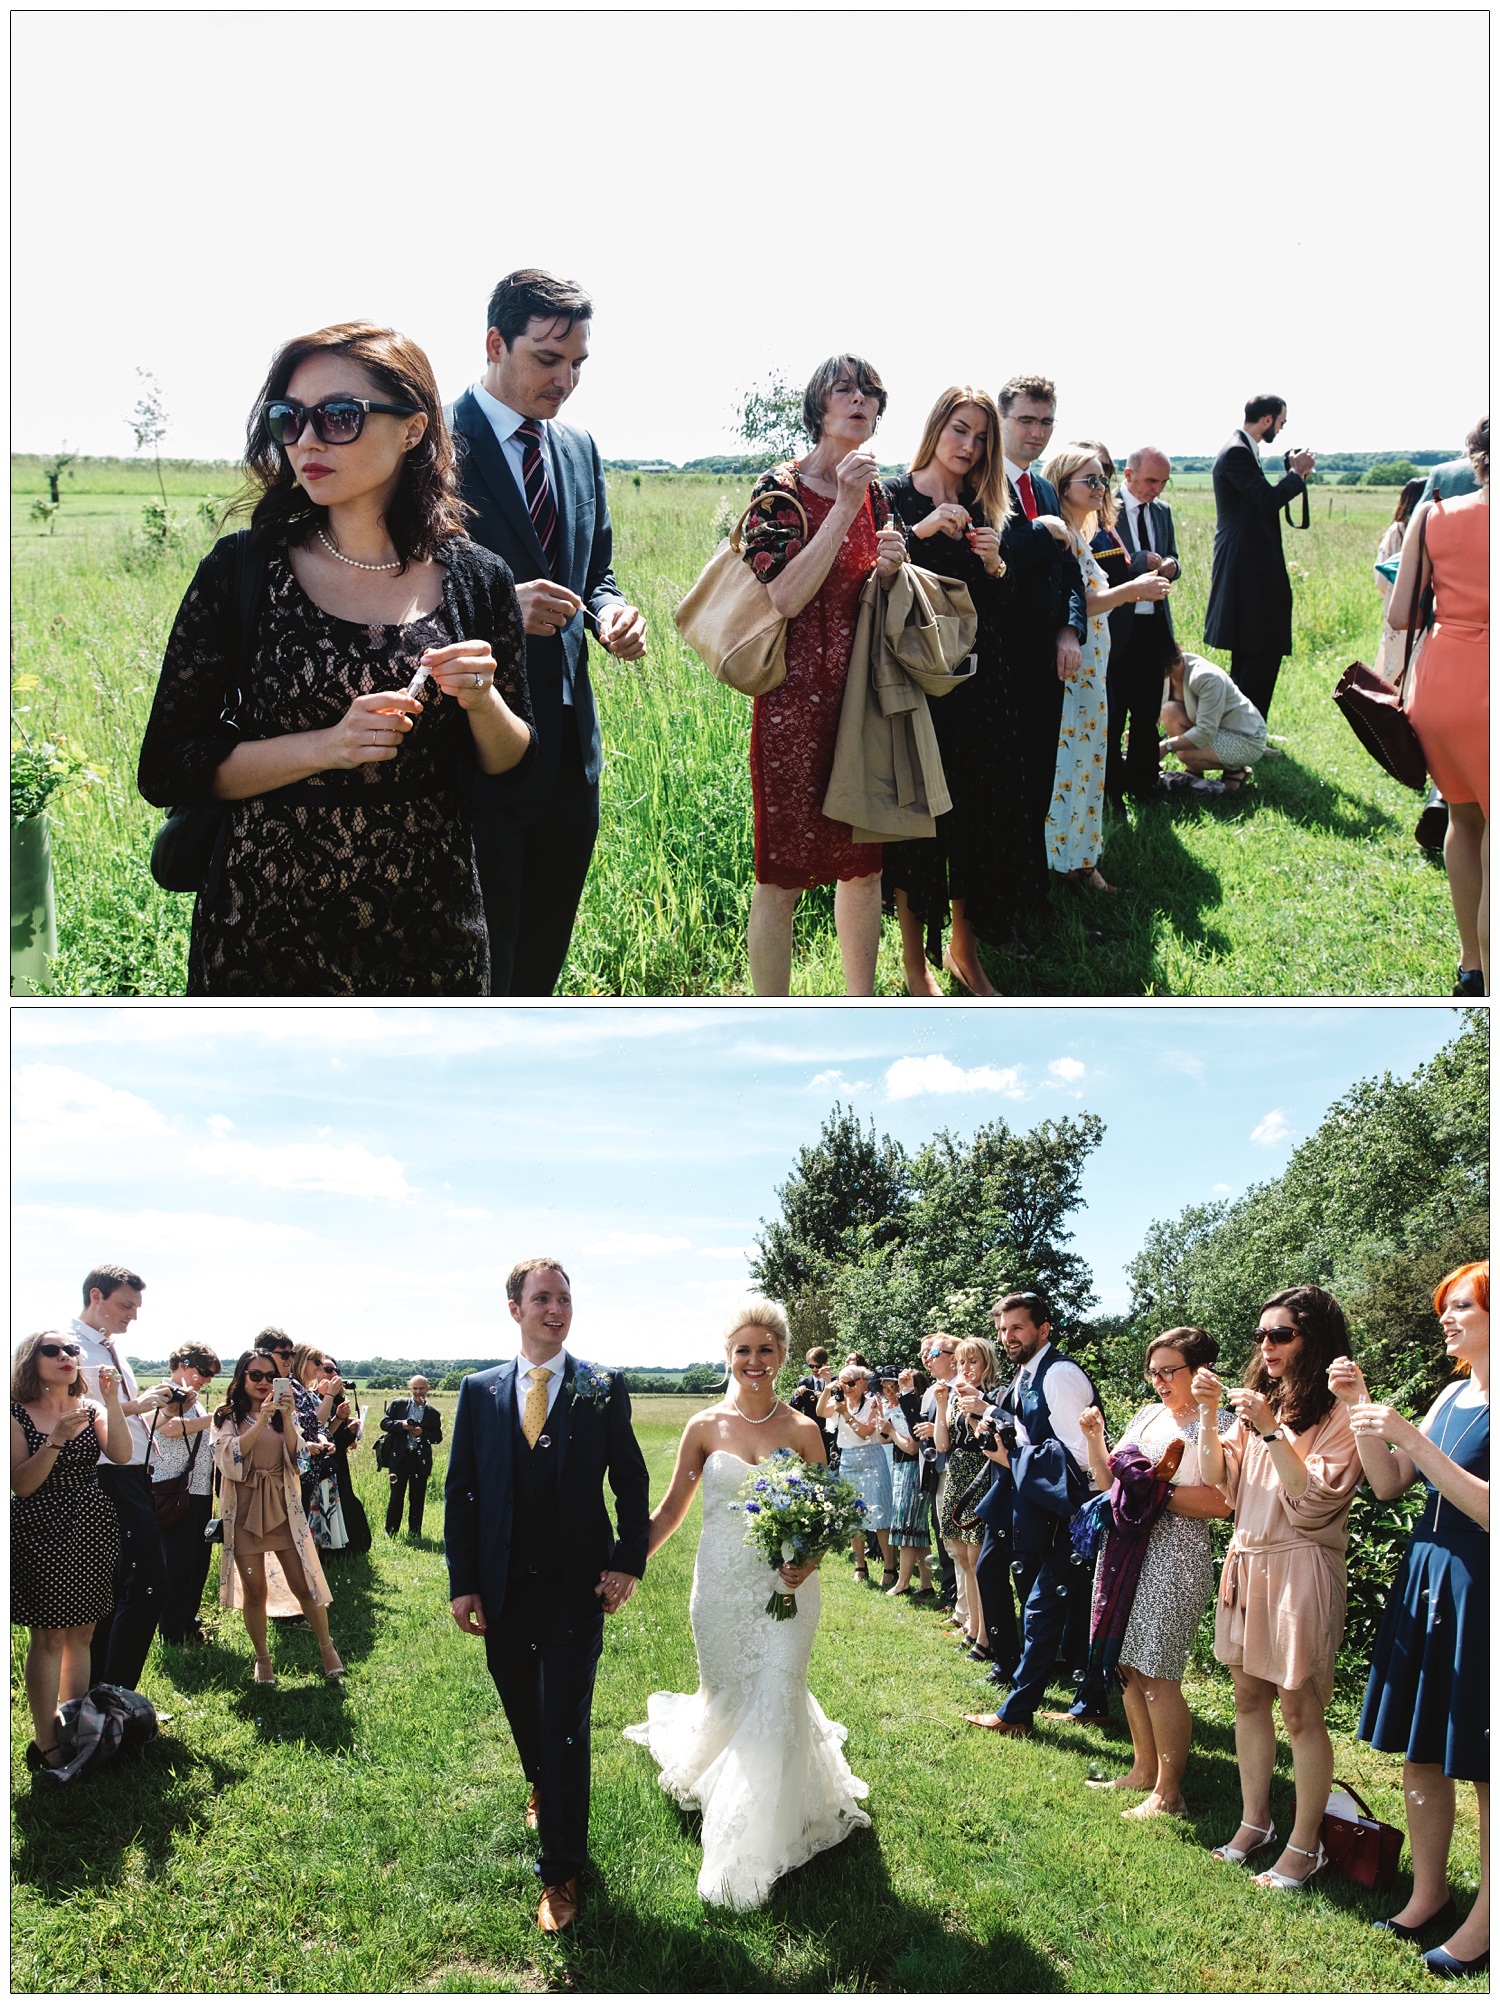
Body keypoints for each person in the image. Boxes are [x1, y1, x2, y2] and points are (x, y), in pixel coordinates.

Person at [137, 321, 535, 996]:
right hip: (263, 931)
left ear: (412, 429)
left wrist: (481, 699)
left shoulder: (479, 577)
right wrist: (328, 746)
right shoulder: (242, 570)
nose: (307, 440)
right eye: (288, 419)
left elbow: (511, 763)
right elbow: (168, 769)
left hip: (431, 932)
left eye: (339, 417)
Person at [625, 1299, 871, 1908]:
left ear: (783, 1355)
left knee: (778, 1688)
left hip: (789, 1590)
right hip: (721, 1590)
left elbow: (830, 1516)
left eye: (766, 1349)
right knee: (731, 1692)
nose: (754, 1361)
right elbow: (670, 1512)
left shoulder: (804, 1431)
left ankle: (753, 1843)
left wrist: (805, 1562)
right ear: (728, 1356)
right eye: (743, 1350)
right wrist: (624, 1565)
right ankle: (725, 1781)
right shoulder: (704, 1427)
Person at [448, 269, 647, 996]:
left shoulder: (579, 447)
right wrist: (502, 607)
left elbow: (595, 572)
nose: (565, 380)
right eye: (546, 359)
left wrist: (614, 614)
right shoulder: (427, 444)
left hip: (569, 753)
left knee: (540, 963)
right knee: (479, 964)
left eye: (578, 364)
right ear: (495, 343)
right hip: (470, 751)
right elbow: (392, 585)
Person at [444, 1259, 650, 1935]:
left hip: (574, 1588)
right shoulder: (479, 1391)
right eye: (542, 1299)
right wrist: (464, 1580)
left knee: (566, 1724)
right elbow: (463, 1491)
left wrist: (627, 1563)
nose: (555, 1309)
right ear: (515, 1309)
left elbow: (630, 1481)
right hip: (502, 1588)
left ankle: (559, 1871)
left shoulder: (600, 1386)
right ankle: (541, 1779)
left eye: (564, 1298)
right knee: (520, 1702)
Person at [1334, 1262, 1489, 1976]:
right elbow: (1394, 1484)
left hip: (1479, 1586)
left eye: (1462, 1306)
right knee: (1425, 1750)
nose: (1447, 1318)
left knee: (1486, 1766)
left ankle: (1486, 1919)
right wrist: (1362, 1408)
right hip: (1428, 1578)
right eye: (1444, 1308)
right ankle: (1428, 1895)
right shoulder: (1453, 1393)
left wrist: (1413, 1439)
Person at [737, 355, 907, 996]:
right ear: (819, 406)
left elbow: (875, 591)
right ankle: (771, 1015)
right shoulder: (778, 488)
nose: (860, 402)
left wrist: (893, 563)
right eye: (845, 390)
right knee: (780, 872)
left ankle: (860, 1006)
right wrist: (844, 506)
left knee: (863, 867)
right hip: (792, 703)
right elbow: (784, 596)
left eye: (871, 394)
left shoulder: (879, 491)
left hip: (862, 699)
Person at [1194, 1285, 1363, 1890]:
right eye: (1261, 1334)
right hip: (1249, 1558)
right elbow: (1219, 1481)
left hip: (1302, 1565)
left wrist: (1269, 1431)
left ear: (1312, 1340)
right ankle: (1255, 1821)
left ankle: (1304, 1844)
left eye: (1281, 1335)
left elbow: (1314, 1501)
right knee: (1247, 1700)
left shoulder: (1342, 1414)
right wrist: (1211, 1418)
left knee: (1300, 1709)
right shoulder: (1260, 1402)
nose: (1265, 1345)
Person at [880, 386, 1021, 995]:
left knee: (978, 821)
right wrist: (921, 529)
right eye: (960, 430)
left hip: (982, 686)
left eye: (982, 437)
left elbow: (1000, 610)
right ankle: (915, 968)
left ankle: (965, 953)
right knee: (921, 825)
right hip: (921, 688)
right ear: (937, 427)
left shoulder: (986, 504)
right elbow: (871, 583)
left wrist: (995, 565)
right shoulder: (892, 495)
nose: (969, 446)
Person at [1076, 1328, 1238, 1819]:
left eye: (1171, 1370)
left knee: (1157, 1671)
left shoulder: (1223, 1423)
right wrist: (1094, 1439)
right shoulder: (1148, 1416)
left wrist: (1156, 1494)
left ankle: (1170, 1794)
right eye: (1154, 1372)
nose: (1160, 1381)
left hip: (1176, 1553)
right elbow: (1109, 1482)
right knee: (1125, 1665)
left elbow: (1223, 1503)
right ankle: (1143, 1770)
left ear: (1201, 1371)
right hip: (1124, 1548)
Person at [1034, 446, 1172, 892]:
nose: (1099, 488)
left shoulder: (1087, 530)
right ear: (1062, 487)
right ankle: (1064, 865)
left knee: (1089, 766)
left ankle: (1082, 862)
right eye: (1089, 481)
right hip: (1074, 668)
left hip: (1093, 668)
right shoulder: (1061, 535)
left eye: (1102, 480)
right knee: (1071, 768)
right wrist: (1132, 590)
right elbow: (1072, 605)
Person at [964, 1293, 1099, 1735]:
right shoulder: (1027, 1375)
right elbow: (1031, 1436)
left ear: (1044, 1329)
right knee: (1069, 1608)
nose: (1008, 1338)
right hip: (1045, 1508)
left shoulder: (1059, 1375)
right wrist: (993, 1423)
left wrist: (1010, 1454)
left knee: (1041, 1608)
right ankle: (1092, 1702)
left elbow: (1078, 1456)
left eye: (1017, 1328)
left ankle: (1016, 1713)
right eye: (1003, 1330)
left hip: (1074, 1511)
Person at [1387, 415, 1489, 998]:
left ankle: (1471, 964)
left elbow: (1400, 616)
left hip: (1443, 680)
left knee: (1464, 818)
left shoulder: (1431, 513)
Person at [11, 1332, 132, 1770]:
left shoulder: (90, 1408)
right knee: (49, 1636)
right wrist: (56, 1438)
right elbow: (21, 1485)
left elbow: (120, 1453)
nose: (66, 1357)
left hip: (91, 1526)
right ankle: (47, 1744)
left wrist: (111, 1400)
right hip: (40, 1529)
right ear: (31, 1360)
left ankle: (79, 1726)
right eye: (53, 1351)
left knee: (83, 1632)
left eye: (71, 1351)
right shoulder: (15, 1414)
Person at [995, 376, 1089, 923]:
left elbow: (1070, 570)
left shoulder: (1046, 488)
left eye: (1046, 421)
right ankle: (1001, 908)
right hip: (1001, 659)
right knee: (1006, 788)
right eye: (1026, 420)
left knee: (1039, 785)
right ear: (1002, 419)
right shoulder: (979, 483)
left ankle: (1033, 894)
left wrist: (1070, 629)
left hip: (1048, 662)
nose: (1037, 432)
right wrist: (1040, 532)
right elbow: (994, 562)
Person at [67, 1263, 175, 1691]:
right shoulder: (70, 1349)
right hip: (105, 1476)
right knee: (149, 1584)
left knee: (118, 1589)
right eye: (126, 1305)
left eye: (136, 1306)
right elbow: (77, 1417)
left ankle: (104, 1693)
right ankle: (115, 1695)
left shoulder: (110, 1349)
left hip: (131, 1473)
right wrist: (138, 1405)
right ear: (96, 1296)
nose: (133, 1314)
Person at [211, 1351, 345, 1686]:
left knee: (303, 1584)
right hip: (243, 1511)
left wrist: (285, 1419)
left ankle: (327, 1649)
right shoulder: (225, 1416)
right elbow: (228, 1460)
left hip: (284, 1509)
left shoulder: (286, 1414)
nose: (263, 1383)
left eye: (271, 1377)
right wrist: (259, 1422)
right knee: (255, 1590)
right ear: (242, 1377)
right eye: (255, 1375)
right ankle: (262, 1658)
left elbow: (298, 1459)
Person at [1202, 394, 1315, 720]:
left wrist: (1294, 476)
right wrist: (1297, 475)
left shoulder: (1240, 449)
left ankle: (1246, 730)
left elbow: (1257, 501)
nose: (1281, 428)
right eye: (1281, 422)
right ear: (1267, 419)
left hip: (1248, 564)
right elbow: (1266, 500)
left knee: (1252, 652)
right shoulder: (1237, 452)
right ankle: (1248, 732)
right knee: (1259, 651)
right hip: (1247, 567)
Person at [1106, 448, 1182, 805]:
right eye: (1152, 481)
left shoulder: (1163, 513)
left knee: (1147, 712)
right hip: (1117, 627)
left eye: (1164, 482)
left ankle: (1144, 784)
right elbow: (1099, 564)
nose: (1157, 490)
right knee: (1113, 713)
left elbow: (1175, 558)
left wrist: (1171, 565)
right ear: (1128, 474)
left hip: (1154, 628)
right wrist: (1137, 562)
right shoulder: (1105, 507)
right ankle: (1110, 790)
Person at [934, 1336, 1005, 1662]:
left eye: (972, 1361)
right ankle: (974, 1628)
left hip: (981, 1473)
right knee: (962, 1555)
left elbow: (991, 1439)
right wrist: (942, 1404)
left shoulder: (993, 1396)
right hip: (957, 1472)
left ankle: (987, 1634)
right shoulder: (954, 1396)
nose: (966, 1368)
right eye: (961, 1362)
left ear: (986, 1362)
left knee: (978, 1559)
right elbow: (943, 1443)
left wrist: (976, 1411)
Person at [147, 1342, 221, 1645]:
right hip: (173, 1491)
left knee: (196, 1564)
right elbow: (170, 1429)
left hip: (197, 1492)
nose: (206, 1379)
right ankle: (173, 1632)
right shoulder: (163, 1392)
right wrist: (217, 1419)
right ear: (182, 1364)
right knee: (176, 1565)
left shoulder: (193, 1398)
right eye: (203, 1371)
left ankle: (188, 1623)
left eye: (211, 1375)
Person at [817, 1360, 895, 1584]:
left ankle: (889, 1568)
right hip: (848, 1458)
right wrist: (828, 1389)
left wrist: (846, 1415)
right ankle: (860, 1566)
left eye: (851, 1383)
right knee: (854, 1517)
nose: (847, 1388)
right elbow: (820, 1411)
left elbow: (866, 1432)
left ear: (862, 1383)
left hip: (872, 1456)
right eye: (843, 1384)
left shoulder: (873, 1402)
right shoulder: (838, 1402)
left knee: (880, 1516)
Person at [1159, 643, 1269, 790]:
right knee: (1169, 710)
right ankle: (1194, 772)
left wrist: (1166, 746)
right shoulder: (1166, 675)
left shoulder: (1206, 677)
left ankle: (1235, 770)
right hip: (1214, 729)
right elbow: (1157, 711)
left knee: (1185, 754)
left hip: (1245, 737)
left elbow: (1206, 731)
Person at [913, 1333, 960, 1607]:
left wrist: (937, 1430)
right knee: (944, 1538)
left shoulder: (963, 1388)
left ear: (952, 1358)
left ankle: (958, 1602)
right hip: (936, 1470)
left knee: (958, 1543)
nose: (926, 1360)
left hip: (956, 1471)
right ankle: (952, 1597)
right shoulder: (933, 1391)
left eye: (932, 1354)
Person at [1373, 476, 1429, 683]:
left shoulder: (1397, 531)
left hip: (1396, 600)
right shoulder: (1427, 528)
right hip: (1421, 607)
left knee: (1394, 664)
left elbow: (1380, 574)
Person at [886, 1365, 935, 1596]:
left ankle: (903, 1582)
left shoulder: (916, 1409)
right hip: (904, 1466)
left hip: (913, 1468)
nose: (899, 1391)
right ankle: (926, 1585)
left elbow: (913, 1446)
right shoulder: (906, 1408)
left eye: (906, 1387)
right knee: (917, 1528)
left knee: (906, 1525)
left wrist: (891, 1431)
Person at [292, 1343, 346, 1549]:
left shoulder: (305, 1390)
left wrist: (328, 1435)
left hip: (310, 1465)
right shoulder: (295, 1389)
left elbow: (318, 1427)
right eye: (316, 1362)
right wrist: (330, 1395)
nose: (319, 1367)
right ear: (301, 1361)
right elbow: (316, 1422)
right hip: (299, 1465)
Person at [315, 1355, 371, 1554]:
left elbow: (334, 1434)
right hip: (323, 1461)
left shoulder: (338, 1397)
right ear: (316, 1371)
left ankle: (347, 1545)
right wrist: (348, 1434)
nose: (334, 1374)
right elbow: (323, 1434)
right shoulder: (313, 1398)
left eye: (335, 1370)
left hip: (337, 1461)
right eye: (328, 1370)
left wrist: (351, 1430)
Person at [381, 1375, 443, 1538]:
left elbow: (437, 1437)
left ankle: (415, 1532)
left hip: (419, 1459)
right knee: (396, 1497)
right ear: (410, 1389)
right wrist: (402, 1425)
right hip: (400, 1458)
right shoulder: (398, 1405)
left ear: (428, 1389)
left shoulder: (433, 1413)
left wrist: (423, 1433)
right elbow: (384, 1424)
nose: (418, 1392)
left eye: (421, 1388)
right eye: (414, 1388)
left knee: (417, 1498)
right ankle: (391, 1531)